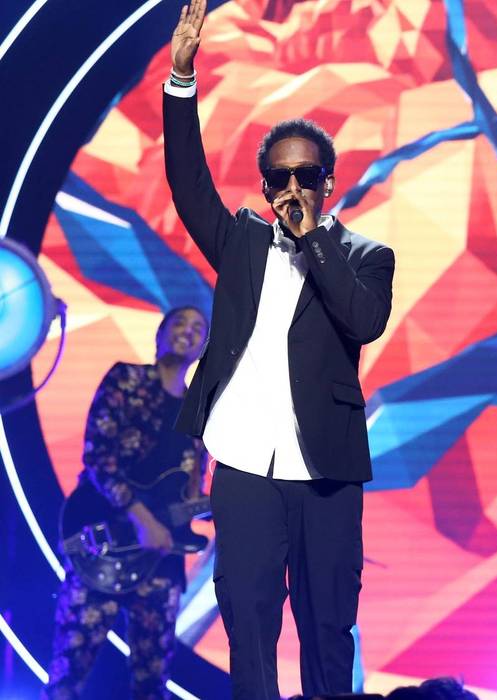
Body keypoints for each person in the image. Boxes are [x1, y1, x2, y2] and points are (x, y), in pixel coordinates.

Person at [164, 2, 395, 697]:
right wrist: (181, 76)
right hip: (243, 467)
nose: (291, 188)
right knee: (248, 619)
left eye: (305, 177)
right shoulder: (238, 243)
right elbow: (185, 182)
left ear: (327, 183)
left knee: (328, 628)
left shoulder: (364, 255)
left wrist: (313, 240)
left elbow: (361, 321)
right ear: (264, 188)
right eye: (278, 179)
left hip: (323, 471)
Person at [44, 307, 210, 700]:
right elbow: (98, 457)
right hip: (99, 543)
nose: (188, 332)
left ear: (203, 345)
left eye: (198, 328)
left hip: (159, 562)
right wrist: (141, 519)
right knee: (69, 674)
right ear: (160, 334)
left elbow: (191, 495)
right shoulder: (125, 379)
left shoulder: (198, 415)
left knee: (151, 684)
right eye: (180, 323)